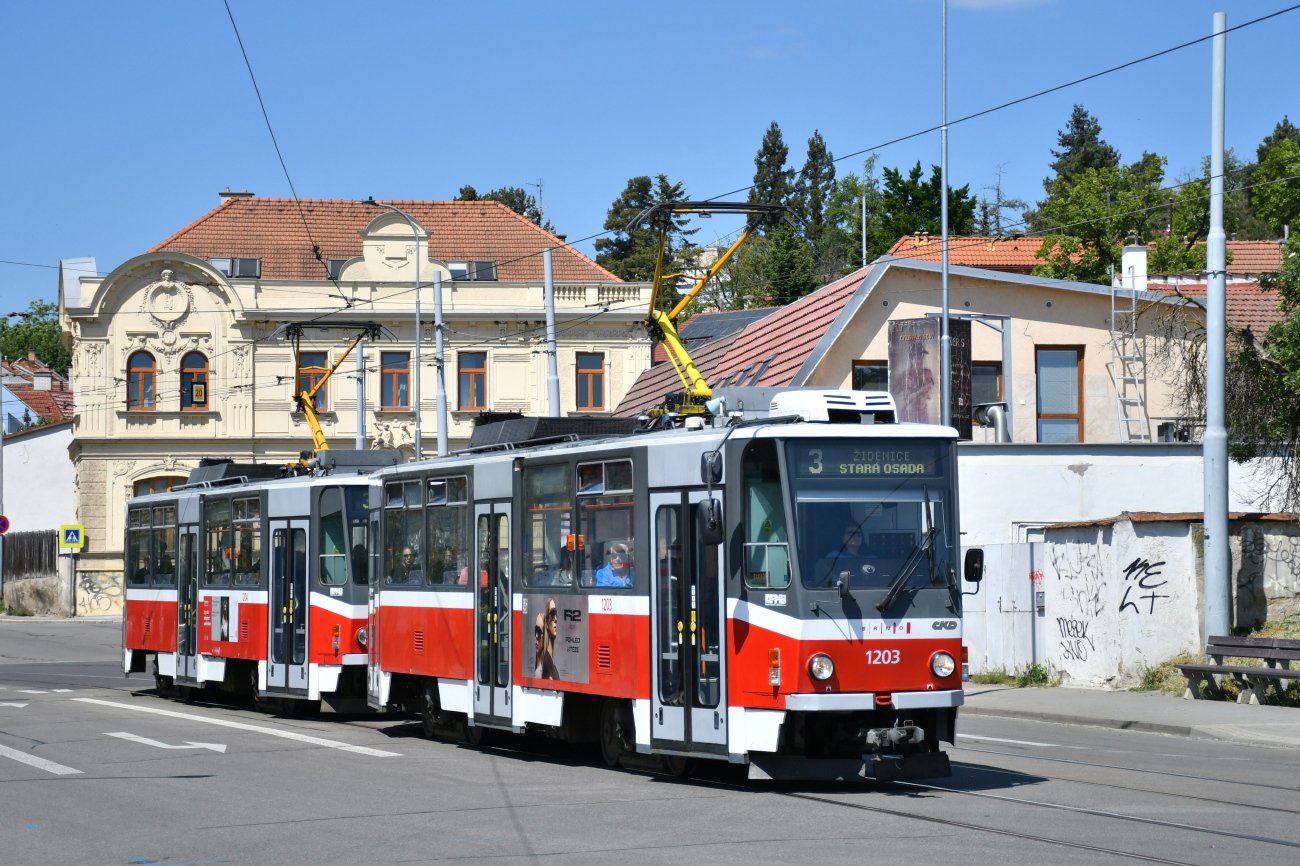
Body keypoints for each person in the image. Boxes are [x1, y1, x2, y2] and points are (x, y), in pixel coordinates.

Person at [540, 598, 560, 680]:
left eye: (556, 615)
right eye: (552, 615)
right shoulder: (547, 661)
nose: (555, 619)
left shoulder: (550, 660)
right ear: (546, 624)